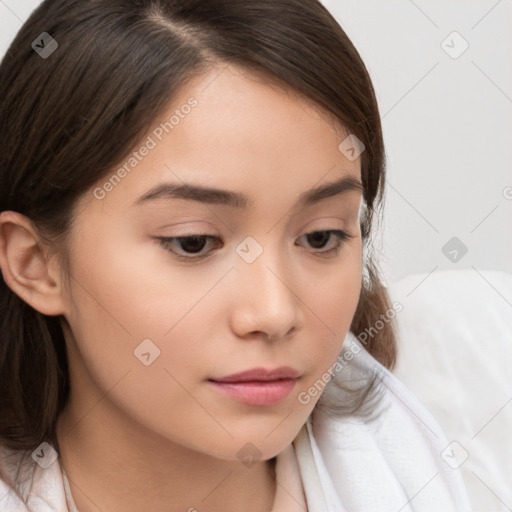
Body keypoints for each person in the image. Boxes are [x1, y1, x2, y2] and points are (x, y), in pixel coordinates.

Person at [0, 0, 472, 511]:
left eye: (321, 237)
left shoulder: (466, 415)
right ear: (35, 264)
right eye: (193, 242)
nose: (274, 313)